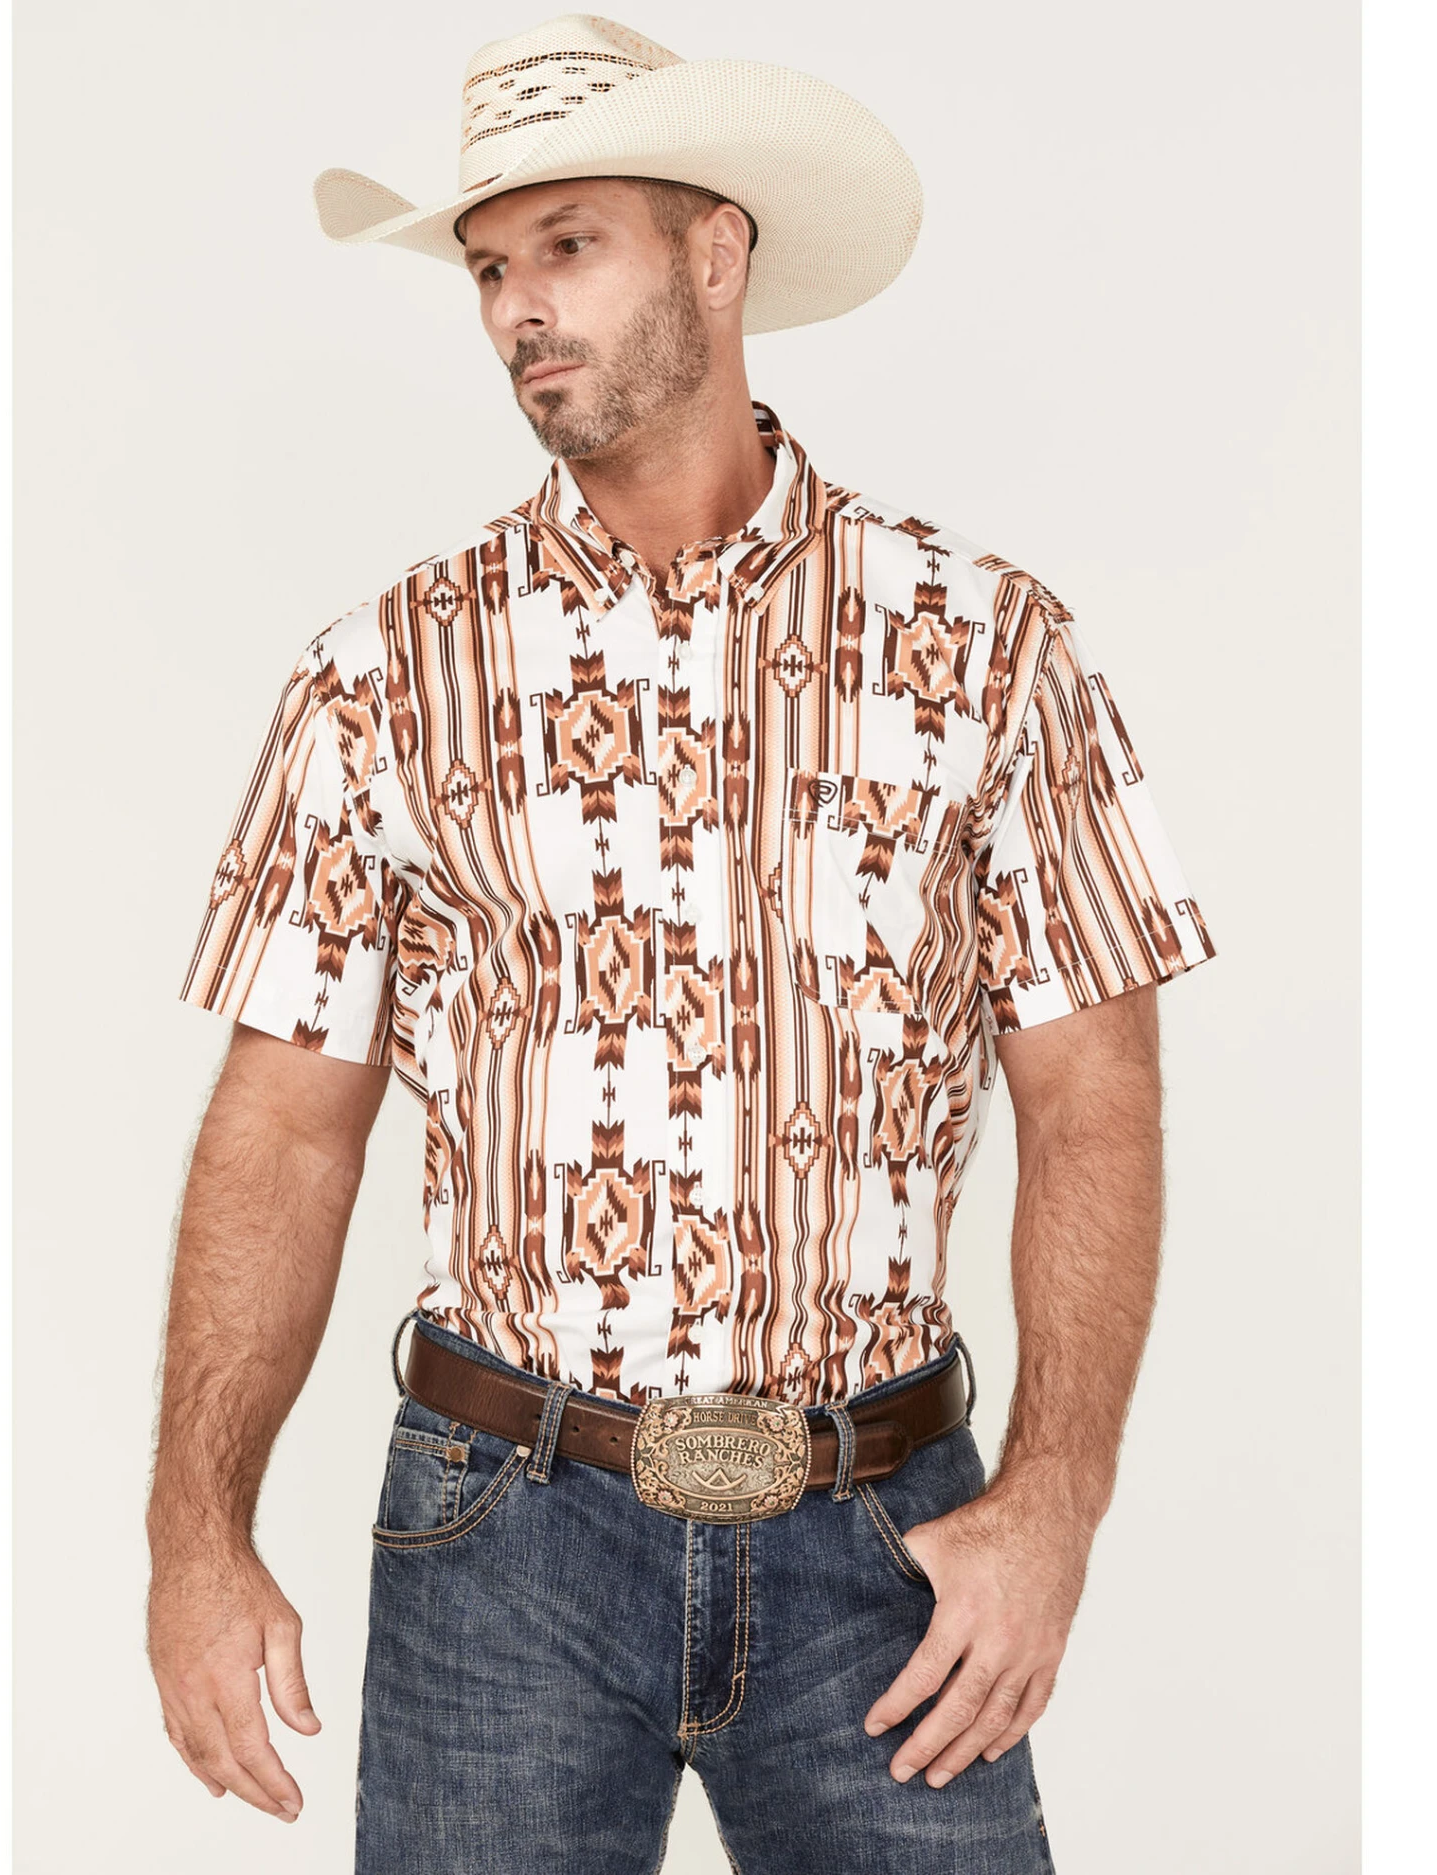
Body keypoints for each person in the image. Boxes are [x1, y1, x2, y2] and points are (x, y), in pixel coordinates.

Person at [146, 14, 1216, 1873]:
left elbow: (1094, 1097)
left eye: (569, 246)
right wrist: (193, 1530)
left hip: (883, 1535)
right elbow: (285, 1128)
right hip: (507, 1535)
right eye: (490, 267)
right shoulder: (384, 677)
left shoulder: (983, 648)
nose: (518, 310)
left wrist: (1057, 1500)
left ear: (717, 253)